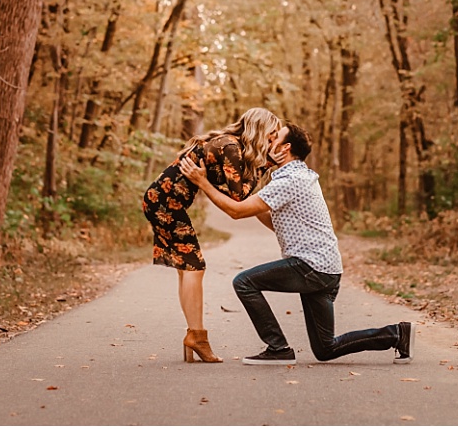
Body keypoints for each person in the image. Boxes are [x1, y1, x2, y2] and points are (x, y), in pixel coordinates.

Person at [179, 120, 414, 365]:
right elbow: (274, 222)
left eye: (275, 138)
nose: (269, 141)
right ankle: (396, 334)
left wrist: (202, 182)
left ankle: (278, 348)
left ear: (285, 148)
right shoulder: (298, 176)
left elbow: (236, 212)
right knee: (326, 348)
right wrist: (246, 197)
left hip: (311, 268)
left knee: (244, 282)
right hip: (325, 270)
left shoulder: (289, 180)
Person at [143, 107, 281, 363]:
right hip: (165, 202)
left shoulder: (231, 146)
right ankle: (197, 337)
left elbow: (232, 193)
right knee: (194, 268)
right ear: (259, 130)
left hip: (162, 200)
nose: (273, 141)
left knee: (188, 268)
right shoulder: (231, 147)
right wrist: (268, 164)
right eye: (271, 134)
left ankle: (194, 336)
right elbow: (239, 196)